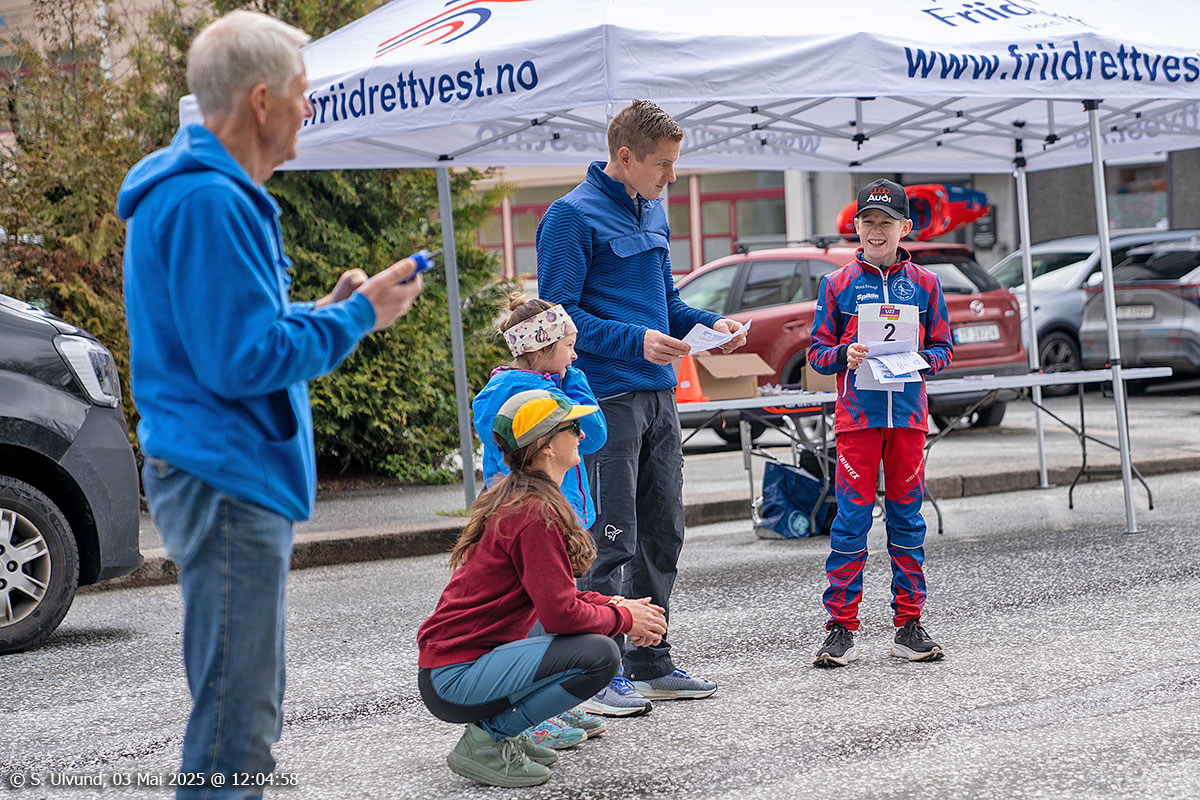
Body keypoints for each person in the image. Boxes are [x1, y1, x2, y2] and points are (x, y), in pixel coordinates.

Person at [118, 10, 424, 796]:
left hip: (220, 470)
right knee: (237, 722)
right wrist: (360, 316)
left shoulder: (202, 194)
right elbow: (241, 360)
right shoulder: (210, 202)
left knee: (239, 709)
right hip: (228, 475)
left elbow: (227, 337)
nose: (308, 107)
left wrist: (326, 310)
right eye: (301, 91)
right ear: (261, 100)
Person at [536, 100, 746, 715]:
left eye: (674, 164)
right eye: (663, 165)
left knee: (662, 531)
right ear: (624, 157)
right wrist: (637, 341)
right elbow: (558, 318)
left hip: (658, 395)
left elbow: (666, 305)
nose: (671, 177)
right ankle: (593, 674)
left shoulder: (652, 208)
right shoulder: (569, 217)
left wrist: (711, 324)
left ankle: (649, 664)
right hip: (605, 399)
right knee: (610, 538)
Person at [418, 390, 667, 788]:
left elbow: (555, 593)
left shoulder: (525, 498)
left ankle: (505, 734)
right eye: (572, 427)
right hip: (455, 678)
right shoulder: (534, 513)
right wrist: (623, 619)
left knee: (592, 635)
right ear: (546, 445)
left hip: (459, 668)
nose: (581, 435)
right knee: (600, 654)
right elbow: (560, 615)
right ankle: (488, 741)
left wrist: (617, 604)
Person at [806, 178, 954, 668]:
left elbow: (945, 348)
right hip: (858, 420)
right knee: (851, 520)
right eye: (867, 221)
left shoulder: (926, 284)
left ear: (904, 228)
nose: (876, 230)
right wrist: (842, 355)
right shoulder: (836, 284)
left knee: (907, 519)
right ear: (856, 226)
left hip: (908, 419)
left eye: (885, 222)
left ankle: (909, 625)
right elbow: (817, 353)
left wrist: (921, 360)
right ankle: (841, 628)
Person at [471, 294, 610, 747]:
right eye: (569, 346)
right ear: (543, 348)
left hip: (553, 511)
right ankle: (527, 714)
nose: (575, 355)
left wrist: (567, 378)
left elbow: (590, 438)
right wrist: (573, 382)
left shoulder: (533, 386)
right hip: (538, 514)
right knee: (533, 617)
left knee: (546, 613)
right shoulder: (532, 394)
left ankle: (547, 704)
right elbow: (595, 436)